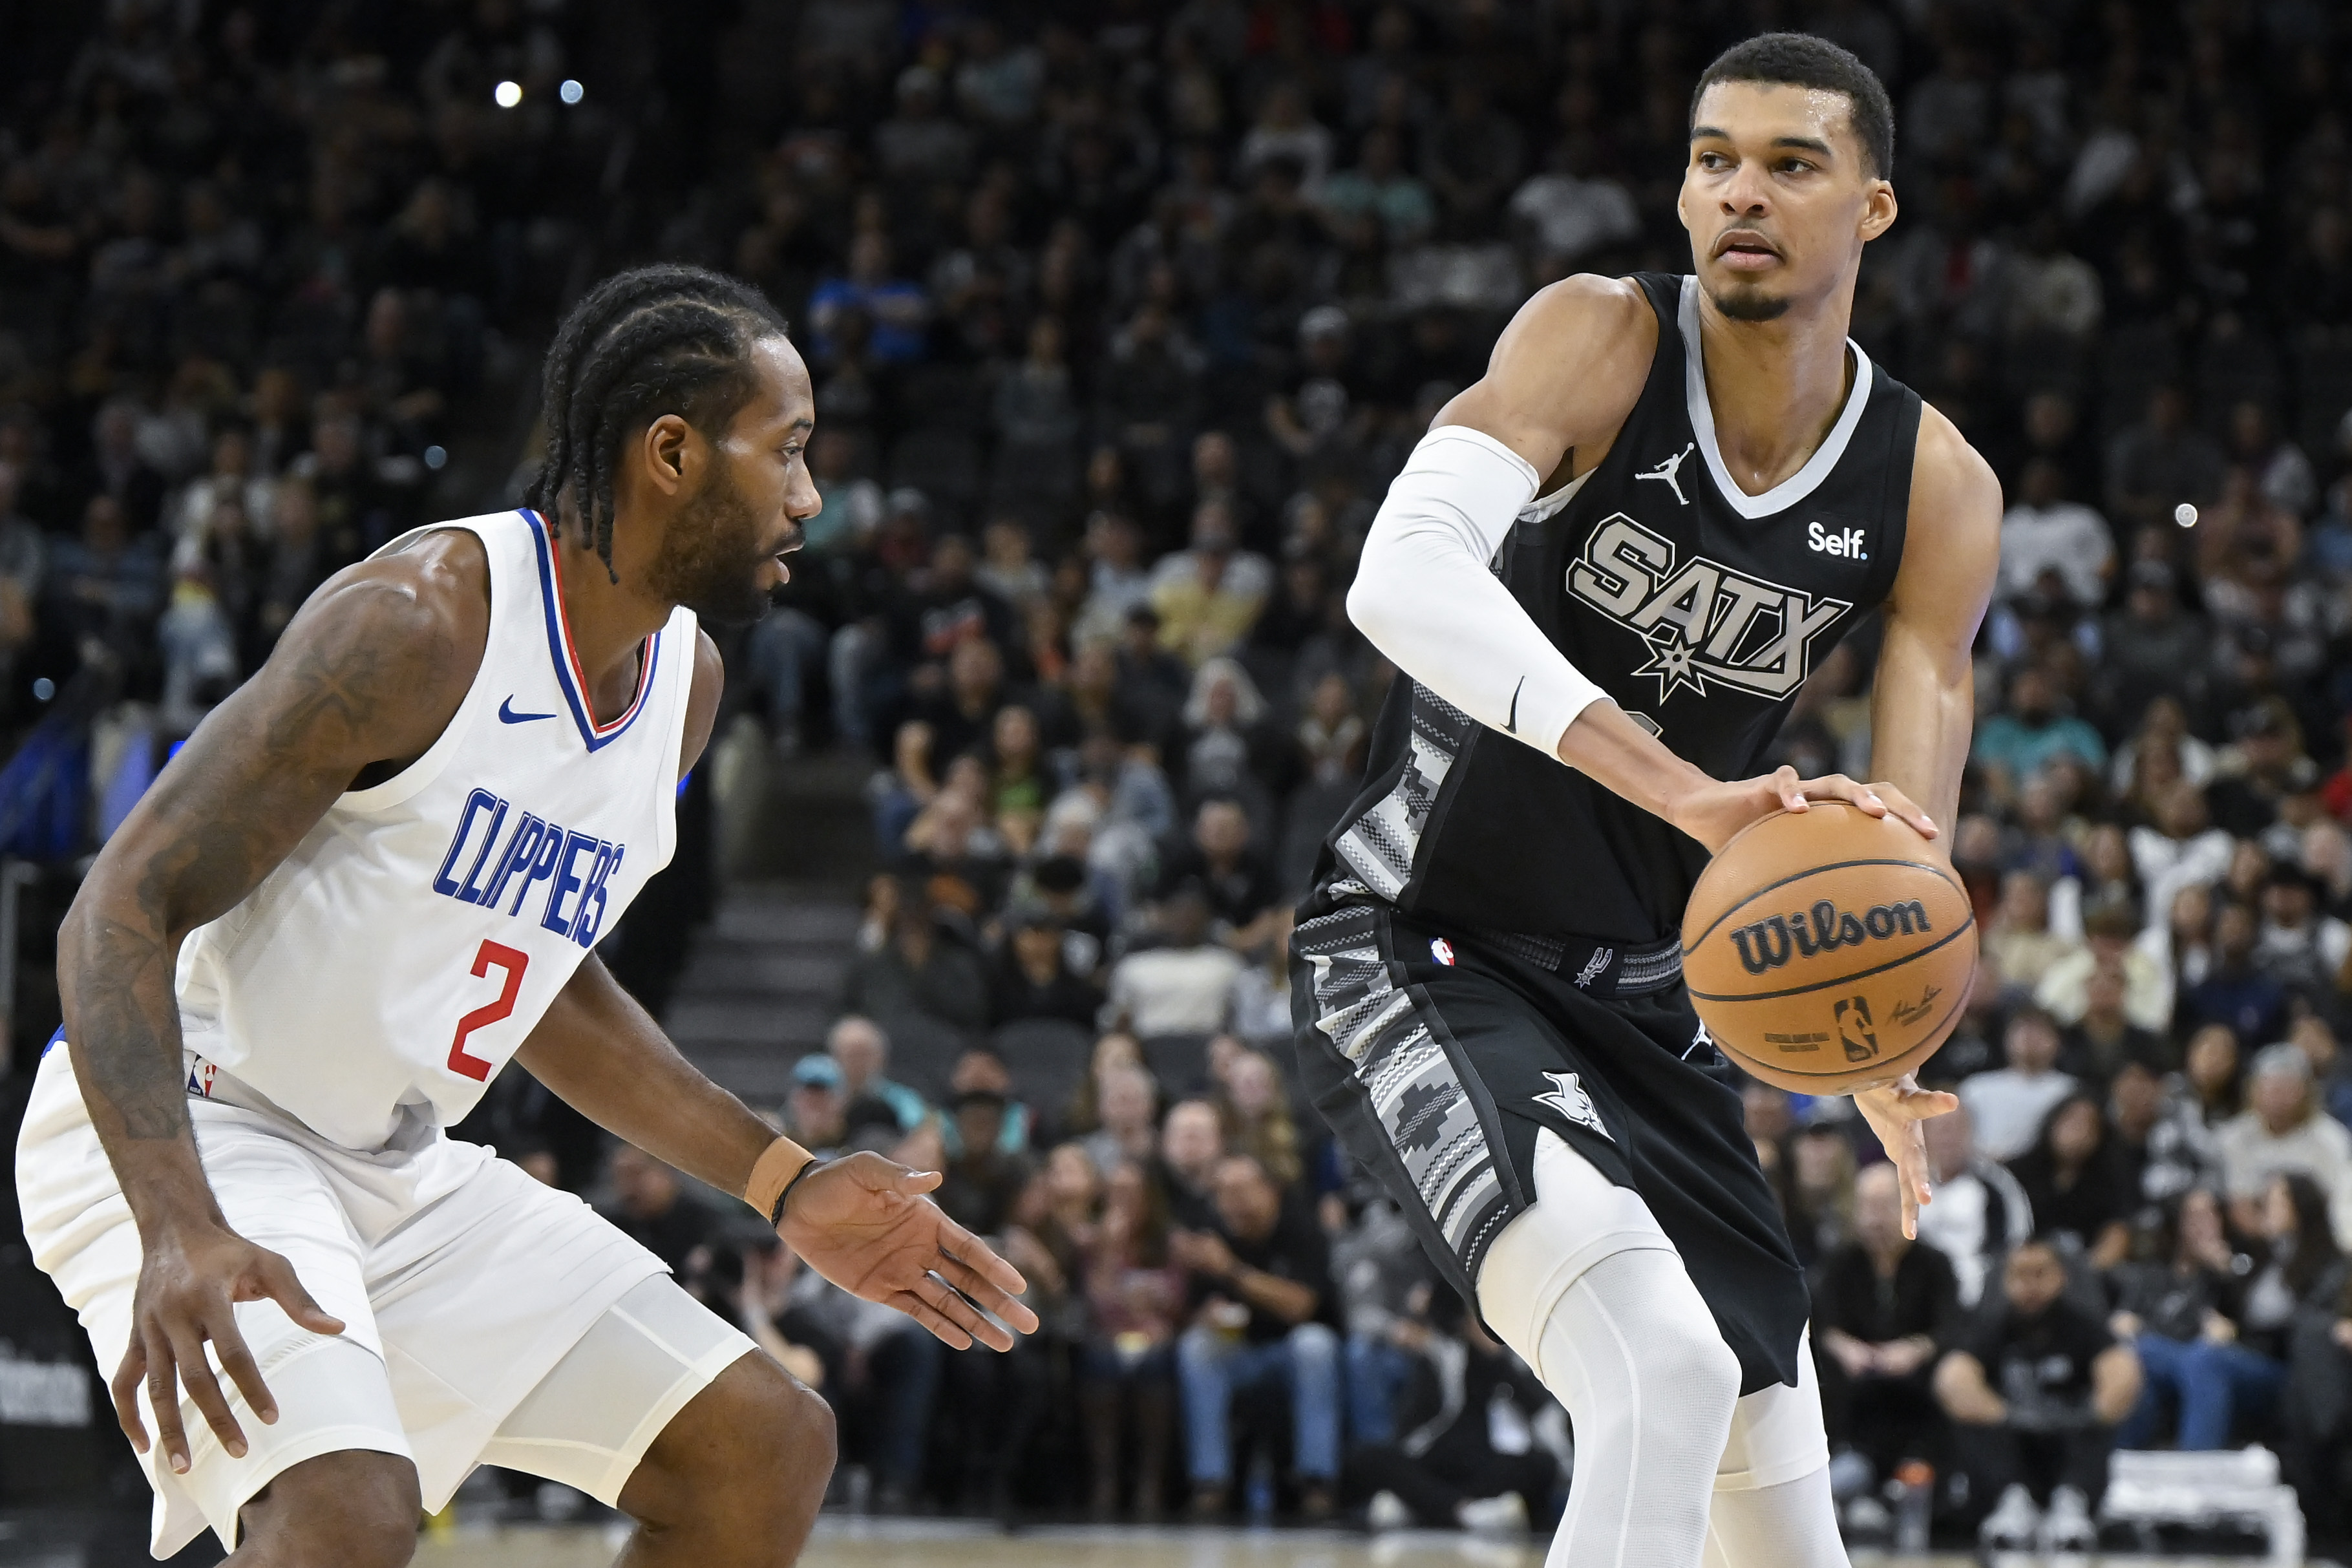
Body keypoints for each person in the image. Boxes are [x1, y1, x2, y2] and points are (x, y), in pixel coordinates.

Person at [14, 266, 1037, 1565]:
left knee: (762, 1448)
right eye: (785, 451)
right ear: (670, 452)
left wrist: (780, 1180)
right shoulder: (419, 623)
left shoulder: (684, 689)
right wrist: (175, 1222)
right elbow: (120, 904)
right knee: (343, 1518)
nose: (807, 498)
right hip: (203, 1123)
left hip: (394, 1160)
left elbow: (540, 972)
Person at [1293, 36, 1997, 1568]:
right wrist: (1688, 793)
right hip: (1425, 946)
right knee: (1654, 1366)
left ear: (1870, 209)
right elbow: (1396, 577)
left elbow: (1897, 826)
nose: (1738, 192)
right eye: (1710, 159)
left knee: (1768, 1450)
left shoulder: (1932, 482)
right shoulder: (1594, 338)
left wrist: (1881, 1031)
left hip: (1651, 998)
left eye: (1788, 164)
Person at [1933, 1239, 2141, 1552]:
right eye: (2020, 1275)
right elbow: (1952, 1377)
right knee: (1975, 1428)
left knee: (2098, 1428)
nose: (2030, 1285)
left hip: (2069, 1445)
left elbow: (2123, 1373)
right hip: (2015, 1447)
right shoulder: (1993, 1327)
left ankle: (2072, 1506)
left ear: (2061, 1277)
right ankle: (2011, 1503)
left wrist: (2087, 1414)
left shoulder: (2083, 1326)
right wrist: (2005, 1415)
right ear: (2005, 1281)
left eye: (2040, 1274)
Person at [1172, 1153, 1342, 1520]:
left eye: (1241, 1191)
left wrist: (1232, 1271)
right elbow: (1190, 1311)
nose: (1231, 1203)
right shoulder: (1210, 1230)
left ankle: (1317, 1481)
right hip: (1239, 1352)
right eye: (1223, 1193)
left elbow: (1302, 1306)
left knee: (1316, 1346)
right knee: (1196, 1348)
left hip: (1290, 1351)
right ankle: (1210, 1482)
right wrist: (1204, 1315)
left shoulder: (1301, 1227)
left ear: (1271, 1192)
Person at [1810, 1164, 1960, 1501]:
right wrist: (1847, 1348)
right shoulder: (1841, 1263)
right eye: (1866, 1207)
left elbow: (1951, 1325)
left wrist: (1917, 1348)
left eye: (1883, 1206)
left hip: (1914, 1378)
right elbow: (1823, 1323)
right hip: (1855, 1376)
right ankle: (1848, 1467)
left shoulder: (1935, 1264)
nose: (1874, 1219)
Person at [2110, 1189, 2253, 1450]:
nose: (2204, 1225)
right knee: (2133, 1360)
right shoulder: (2152, 1273)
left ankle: (2192, 1463)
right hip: (2159, 1359)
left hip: (2213, 1360)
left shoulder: (2238, 1267)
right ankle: (2127, 1459)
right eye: (2194, 1216)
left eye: (2211, 1215)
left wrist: (2222, 1271)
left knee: (2175, 1355)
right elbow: (2124, 1322)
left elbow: (2236, 1326)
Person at [2216, 1043, 2352, 1247]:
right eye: (2270, 1087)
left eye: (2287, 1088)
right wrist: (2270, 1235)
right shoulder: (2235, 1137)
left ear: (2306, 1092)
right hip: (2254, 1243)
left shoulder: (2331, 1138)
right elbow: (2240, 1204)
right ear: (2253, 1090)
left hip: (2317, 1241)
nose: (2278, 1097)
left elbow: (2338, 1202)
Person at [2006, 1093, 2134, 1267]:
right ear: (2052, 1124)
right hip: (2023, 1265)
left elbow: (2117, 1232)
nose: (2076, 1131)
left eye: (2087, 1125)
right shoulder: (2017, 1173)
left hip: (2087, 1272)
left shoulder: (2112, 1180)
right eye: (2070, 1122)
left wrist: (2087, 1274)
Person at [1958, 1006, 2079, 1162]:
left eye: (2039, 1032)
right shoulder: (1976, 1088)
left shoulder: (2069, 1092)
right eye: (2022, 1030)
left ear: (2057, 1042)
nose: (2030, 1038)